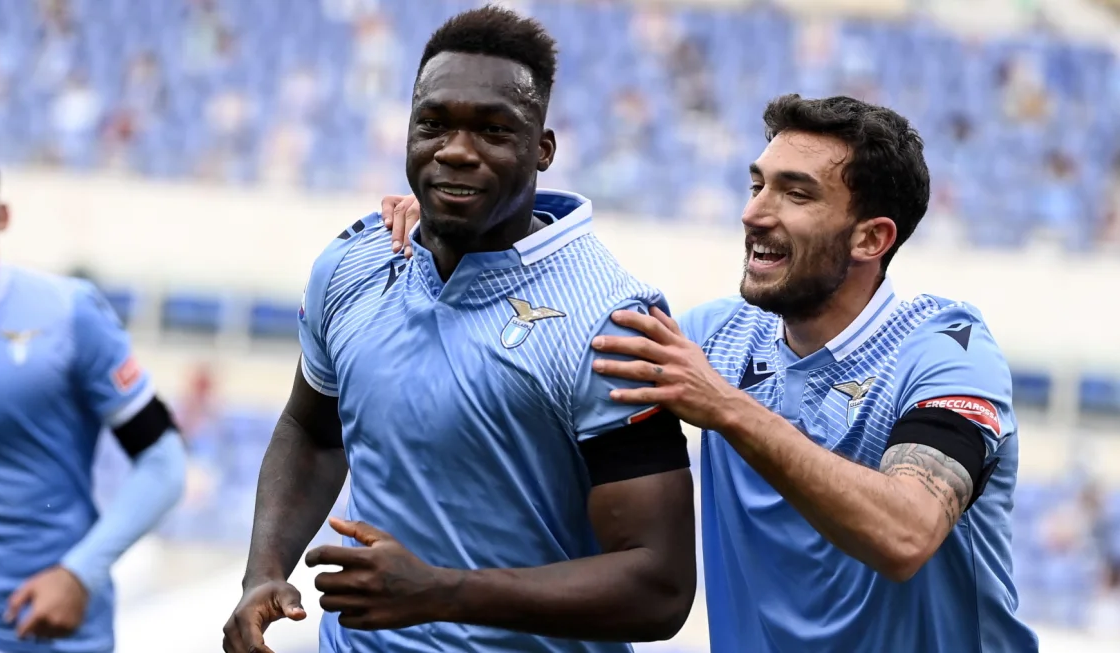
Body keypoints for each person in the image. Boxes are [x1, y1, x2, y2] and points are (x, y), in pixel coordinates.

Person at [382, 95, 1040, 652]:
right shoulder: (715, 336)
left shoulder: (945, 348)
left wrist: (725, 406)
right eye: (756, 184)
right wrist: (456, 236)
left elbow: (904, 533)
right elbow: (556, 330)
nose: (754, 212)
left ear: (870, 238)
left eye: (795, 193)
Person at [222, 7, 696, 653]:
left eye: (493, 130)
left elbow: (658, 584)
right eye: (434, 124)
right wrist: (264, 570)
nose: (455, 150)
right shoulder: (351, 263)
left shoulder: (608, 318)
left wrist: (443, 591)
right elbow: (311, 429)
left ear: (543, 148)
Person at [0, 132, 187, 653]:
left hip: (62, 631)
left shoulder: (70, 313)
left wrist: (79, 573)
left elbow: (163, 458)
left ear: (1, 214)